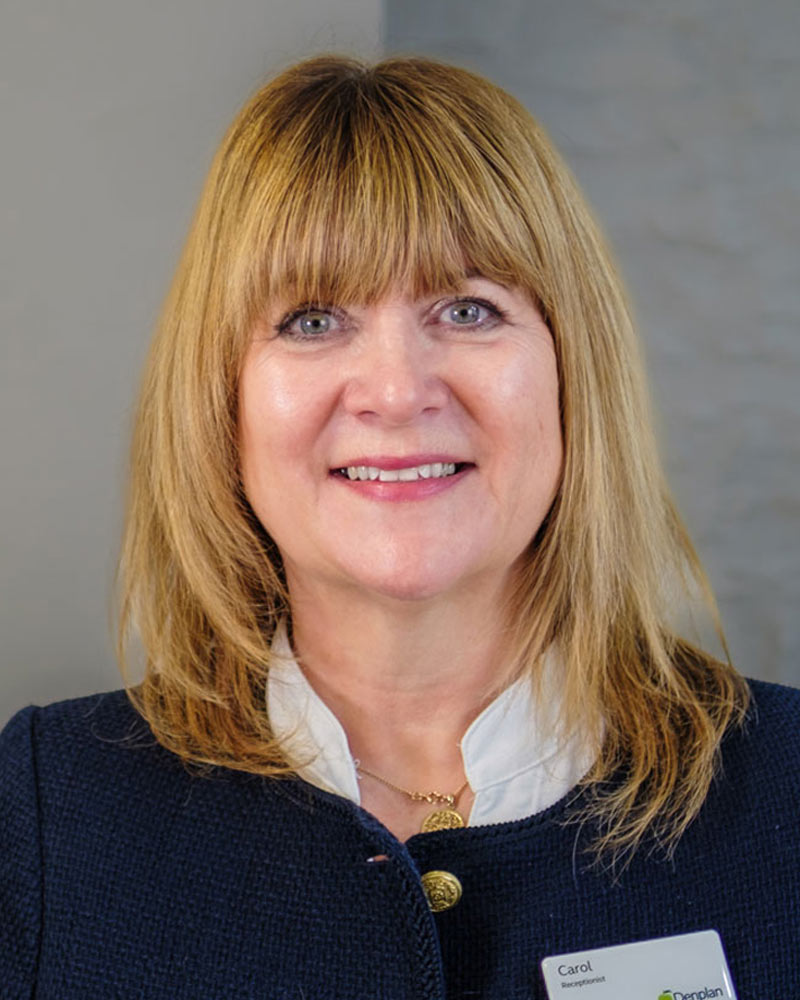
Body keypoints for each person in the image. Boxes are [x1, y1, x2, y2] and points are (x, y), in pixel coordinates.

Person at [1, 55, 798, 999]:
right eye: (310, 319)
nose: (395, 392)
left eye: (468, 309)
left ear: (571, 372)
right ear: (221, 397)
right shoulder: (42, 819)